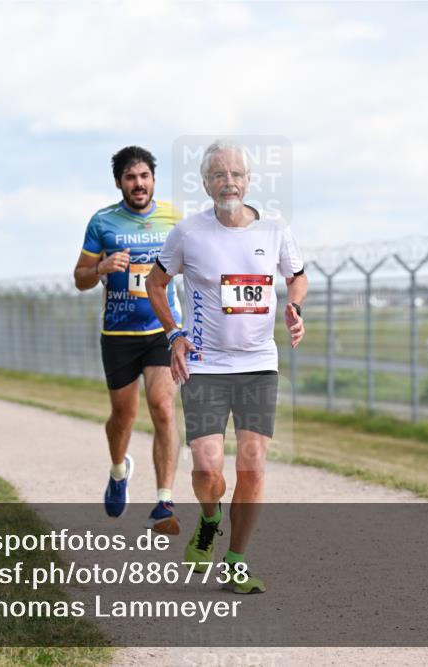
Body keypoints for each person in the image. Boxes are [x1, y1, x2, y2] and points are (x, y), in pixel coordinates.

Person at [146, 141, 308, 594]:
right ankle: (210, 519)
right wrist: (174, 334)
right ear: (206, 184)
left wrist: (294, 306)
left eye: (236, 173)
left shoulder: (275, 230)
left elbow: (297, 276)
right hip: (204, 365)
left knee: (253, 465)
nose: (229, 182)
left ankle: (236, 561)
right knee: (207, 468)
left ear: (249, 180)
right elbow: (155, 283)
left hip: (258, 364)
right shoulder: (187, 233)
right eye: (219, 175)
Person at [73, 146, 184, 534]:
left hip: (161, 329)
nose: (139, 184)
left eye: (145, 177)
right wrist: (102, 266)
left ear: (154, 179)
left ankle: (164, 501)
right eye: (131, 178)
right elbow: (80, 278)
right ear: (119, 182)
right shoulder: (102, 222)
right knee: (123, 416)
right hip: (118, 334)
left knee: (163, 406)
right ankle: (119, 470)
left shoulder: (174, 217)